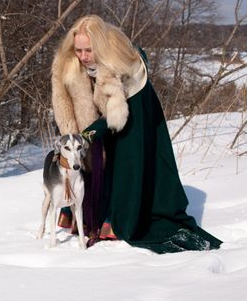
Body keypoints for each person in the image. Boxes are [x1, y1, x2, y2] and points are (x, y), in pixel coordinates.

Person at [51, 14, 222, 253]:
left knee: (126, 162)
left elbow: (117, 113)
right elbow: (65, 103)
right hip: (101, 115)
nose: (83, 56)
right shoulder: (69, 62)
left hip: (134, 111)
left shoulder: (122, 61)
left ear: (100, 45)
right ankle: (90, 216)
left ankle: (120, 217)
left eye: (88, 50)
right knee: (91, 160)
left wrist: (94, 130)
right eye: (78, 50)